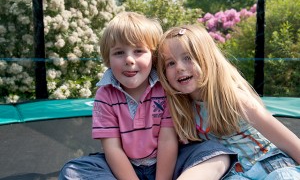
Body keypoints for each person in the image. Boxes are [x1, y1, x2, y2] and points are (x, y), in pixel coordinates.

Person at [59, 12, 237, 180]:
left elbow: (168, 139)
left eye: (138, 51)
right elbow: (112, 148)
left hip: (169, 164)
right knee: (73, 171)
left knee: (216, 154)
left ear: (153, 56)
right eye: (119, 52)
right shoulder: (105, 95)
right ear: (108, 59)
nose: (129, 60)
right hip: (123, 169)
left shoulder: (163, 88)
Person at [156, 24, 300, 179]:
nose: (179, 67)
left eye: (188, 58)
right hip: (234, 174)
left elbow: (291, 144)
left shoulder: (235, 100)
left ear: (208, 60)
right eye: (170, 63)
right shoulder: (182, 109)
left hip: (268, 165)